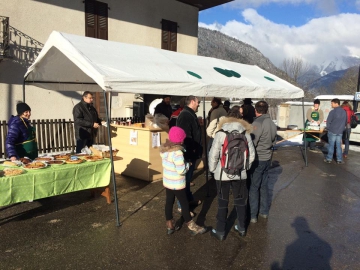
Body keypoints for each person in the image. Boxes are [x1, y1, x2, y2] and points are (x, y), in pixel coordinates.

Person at [208, 106, 255, 240]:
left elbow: (213, 155)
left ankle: (221, 231)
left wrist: (213, 170)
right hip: (240, 174)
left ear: (227, 119)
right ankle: (241, 228)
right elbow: (251, 155)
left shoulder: (220, 133)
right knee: (240, 201)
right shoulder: (246, 134)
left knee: (223, 202)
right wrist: (244, 168)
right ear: (240, 119)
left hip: (222, 174)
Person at [160, 126, 206, 236]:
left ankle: (169, 224)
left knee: (169, 202)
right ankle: (191, 226)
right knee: (184, 204)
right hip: (177, 183)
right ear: (180, 140)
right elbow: (181, 170)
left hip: (168, 182)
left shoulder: (165, 150)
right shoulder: (178, 153)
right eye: (183, 138)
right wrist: (188, 165)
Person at [249, 101, 277, 223]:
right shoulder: (271, 122)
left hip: (258, 158)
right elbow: (274, 140)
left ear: (256, 110)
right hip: (267, 157)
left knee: (254, 187)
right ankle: (264, 211)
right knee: (264, 186)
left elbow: (252, 142)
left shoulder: (257, 123)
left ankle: (253, 215)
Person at [176, 95, 203, 212]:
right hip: (187, 153)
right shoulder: (186, 115)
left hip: (191, 152)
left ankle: (189, 199)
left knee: (187, 180)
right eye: (198, 102)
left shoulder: (189, 114)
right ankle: (182, 206)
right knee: (184, 180)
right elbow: (185, 136)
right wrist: (191, 150)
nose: (199, 104)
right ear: (192, 102)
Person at [324, 98, 347, 164]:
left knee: (331, 145)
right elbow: (345, 122)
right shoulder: (344, 111)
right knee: (338, 146)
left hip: (332, 130)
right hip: (340, 131)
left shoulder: (333, 112)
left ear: (336, 103)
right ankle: (339, 159)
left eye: (332, 103)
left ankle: (329, 158)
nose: (331, 104)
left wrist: (328, 128)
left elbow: (328, 121)